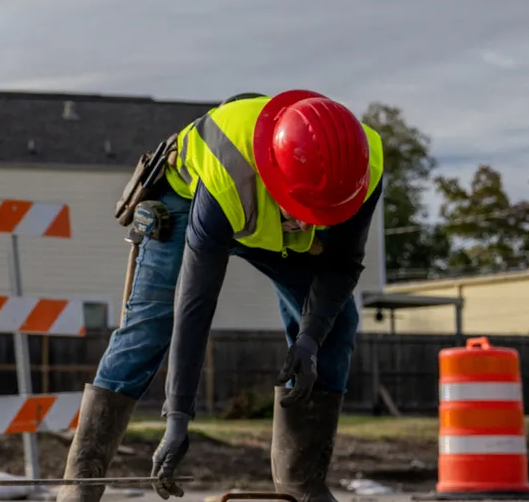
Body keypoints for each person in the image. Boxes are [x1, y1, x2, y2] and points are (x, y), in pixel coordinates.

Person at [58, 90, 383, 502]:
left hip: (264, 210)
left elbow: (342, 266)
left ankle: (303, 486)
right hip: (189, 197)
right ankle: (80, 486)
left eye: (317, 216)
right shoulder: (227, 173)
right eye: (301, 211)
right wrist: (178, 418)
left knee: (337, 323)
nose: (305, 225)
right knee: (154, 323)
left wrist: (309, 339)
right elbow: (193, 305)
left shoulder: (361, 164)